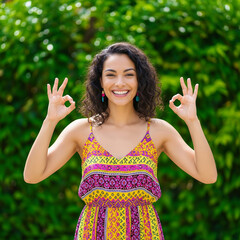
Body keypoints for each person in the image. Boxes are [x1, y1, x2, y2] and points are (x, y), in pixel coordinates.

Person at [23, 42, 217, 239]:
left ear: (140, 80)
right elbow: (32, 175)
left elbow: (207, 175)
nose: (120, 82)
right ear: (100, 81)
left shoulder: (159, 131)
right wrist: (50, 121)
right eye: (111, 74)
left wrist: (193, 121)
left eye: (129, 74)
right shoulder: (80, 130)